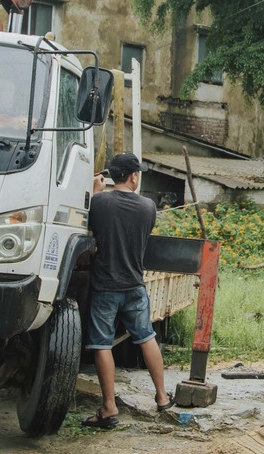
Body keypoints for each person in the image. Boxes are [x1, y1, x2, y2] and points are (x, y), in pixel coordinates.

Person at [81, 153, 173, 429]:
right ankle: (161, 397)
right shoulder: (149, 207)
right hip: (134, 285)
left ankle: (109, 407)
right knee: (146, 337)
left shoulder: (99, 202)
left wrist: (94, 191)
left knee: (102, 344)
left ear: (111, 175)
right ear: (133, 176)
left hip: (104, 285)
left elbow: (91, 227)